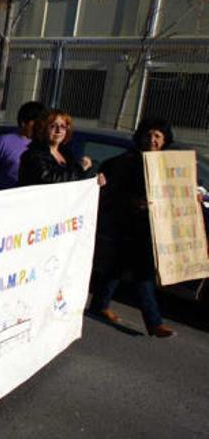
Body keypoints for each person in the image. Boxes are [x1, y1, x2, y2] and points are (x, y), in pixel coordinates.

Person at [88, 118, 177, 338]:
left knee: (116, 268)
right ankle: (155, 323)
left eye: (157, 135)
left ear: (165, 140)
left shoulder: (170, 166)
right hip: (128, 226)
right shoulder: (126, 161)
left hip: (153, 228)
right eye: (149, 134)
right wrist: (133, 202)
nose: (152, 139)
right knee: (143, 274)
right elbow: (111, 191)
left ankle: (99, 304)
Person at [18, 109, 105, 186]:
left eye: (63, 126)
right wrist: (80, 168)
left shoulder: (66, 153)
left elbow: (75, 176)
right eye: (53, 126)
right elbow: (49, 179)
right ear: (42, 129)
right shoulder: (33, 155)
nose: (59, 130)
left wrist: (94, 176)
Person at [0, 101, 45, 190]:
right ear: (23, 122)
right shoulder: (2, 142)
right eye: (36, 122)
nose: (40, 126)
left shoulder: (45, 145)